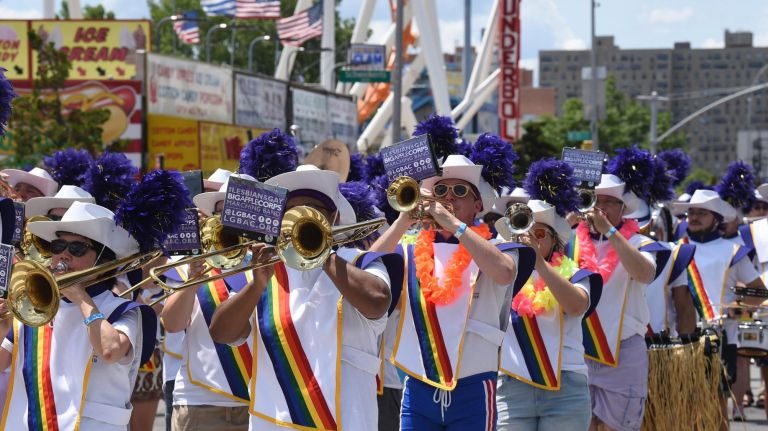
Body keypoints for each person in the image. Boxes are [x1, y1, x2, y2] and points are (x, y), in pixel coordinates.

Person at [208, 164, 402, 431]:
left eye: (312, 213)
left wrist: (320, 249)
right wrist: (255, 287)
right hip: (275, 421)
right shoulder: (263, 270)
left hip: (347, 420)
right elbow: (221, 332)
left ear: (332, 218)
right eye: (293, 214)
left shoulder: (360, 263)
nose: (302, 220)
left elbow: (379, 301)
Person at [372, 148, 535, 430]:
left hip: (472, 386)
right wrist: (402, 221)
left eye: (460, 190)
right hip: (419, 384)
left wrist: (455, 225)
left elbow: (504, 272)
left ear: (477, 205)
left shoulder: (499, 248)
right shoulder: (410, 249)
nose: (448, 196)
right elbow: (367, 269)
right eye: (441, 190)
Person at [0, 201, 157, 430]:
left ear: (103, 259)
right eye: (58, 246)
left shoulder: (124, 310)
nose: (64, 255)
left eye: (77, 249)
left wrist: (80, 297)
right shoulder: (35, 305)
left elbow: (110, 351)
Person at [494, 159, 601, 431]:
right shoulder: (502, 274)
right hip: (513, 385)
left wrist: (538, 264)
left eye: (539, 233)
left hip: (565, 388)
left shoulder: (575, 273)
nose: (531, 239)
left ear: (555, 240)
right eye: (524, 231)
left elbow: (577, 306)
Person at [161, 173, 258, 431]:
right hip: (200, 399)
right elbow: (171, 324)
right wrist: (193, 277)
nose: (228, 220)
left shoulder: (269, 262)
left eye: (235, 212)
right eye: (220, 212)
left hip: (261, 401)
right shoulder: (192, 262)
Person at [568, 162, 660, 431]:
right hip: (578, 350)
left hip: (623, 350)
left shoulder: (639, 242)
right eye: (595, 200)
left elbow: (645, 273)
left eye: (609, 202)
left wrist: (610, 231)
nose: (601, 207)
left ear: (623, 210)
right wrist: (568, 221)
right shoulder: (570, 240)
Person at [672, 189, 767, 429]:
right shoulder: (674, 249)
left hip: (721, 338)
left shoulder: (733, 250)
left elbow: (760, 293)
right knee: (683, 408)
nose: (693, 217)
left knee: (716, 408)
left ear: (716, 219)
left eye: (701, 213)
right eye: (691, 212)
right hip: (679, 339)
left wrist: (738, 308)